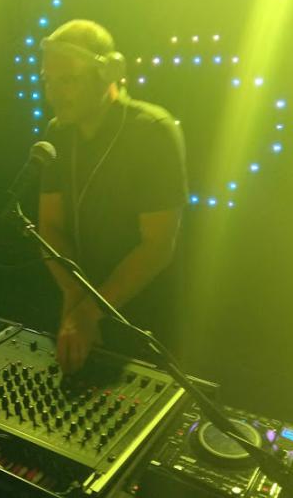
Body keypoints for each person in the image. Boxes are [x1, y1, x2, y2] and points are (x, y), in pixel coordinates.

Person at [38, 19, 188, 373]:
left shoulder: (153, 132)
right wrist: (75, 298)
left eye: (68, 80)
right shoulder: (57, 133)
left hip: (141, 314)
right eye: (48, 81)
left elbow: (157, 245)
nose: (53, 93)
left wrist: (88, 312)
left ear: (107, 74)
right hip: (79, 306)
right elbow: (49, 226)